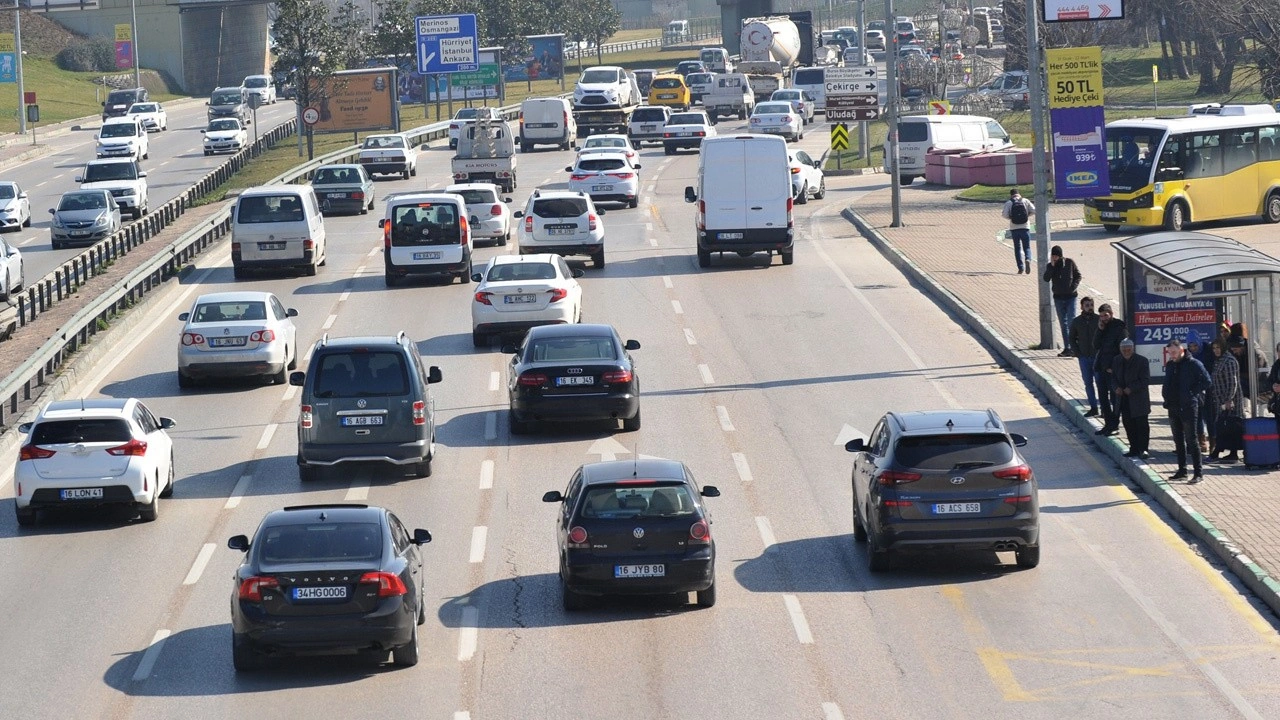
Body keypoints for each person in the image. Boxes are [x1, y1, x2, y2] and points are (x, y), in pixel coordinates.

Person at [1162, 338, 1213, 483]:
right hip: (1173, 406)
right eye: (1170, 352)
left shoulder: (1193, 364)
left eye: (1175, 352)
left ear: (1182, 350)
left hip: (1189, 406)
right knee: (1178, 441)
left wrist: (1192, 392)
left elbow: (1207, 381)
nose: (1172, 355)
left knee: (1191, 440)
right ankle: (1182, 471)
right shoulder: (1171, 364)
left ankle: (1198, 473)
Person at [1112, 338, 1151, 458]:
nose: (1126, 351)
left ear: (1133, 349)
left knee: (1142, 425)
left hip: (1138, 399)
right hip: (1123, 399)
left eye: (1128, 349)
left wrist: (1131, 388)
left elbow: (1145, 380)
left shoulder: (1142, 361)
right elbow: (1113, 378)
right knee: (1128, 424)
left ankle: (1143, 449)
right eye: (1123, 349)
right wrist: (1116, 387)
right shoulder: (1117, 360)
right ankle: (1133, 448)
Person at [1208, 338, 1243, 464]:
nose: (1216, 350)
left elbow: (1232, 382)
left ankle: (1218, 452)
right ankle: (1230, 454)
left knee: (1229, 426)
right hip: (1220, 400)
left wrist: (1228, 399)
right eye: (1214, 348)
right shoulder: (1219, 361)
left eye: (1218, 348)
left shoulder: (1229, 361)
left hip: (1230, 401)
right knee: (1225, 426)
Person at [1094, 304, 1127, 436]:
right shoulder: (1102, 327)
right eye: (1101, 316)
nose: (1103, 318)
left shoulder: (1119, 327)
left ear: (1111, 314)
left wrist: (1113, 368)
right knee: (1103, 398)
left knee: (1115, 399)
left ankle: (1114, 425)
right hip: (1101, 368)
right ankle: (1107, 424)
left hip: (1113, 370)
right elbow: (1096, 345)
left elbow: (1122, 349)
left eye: (1106, 315)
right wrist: (1100, 330)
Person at [1043, 245, 1082, 356]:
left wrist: (1073, 287)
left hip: (1071, 297)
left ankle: (1075, 347)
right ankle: (1067, 348)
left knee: (1071, 321)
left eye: (1056, 256)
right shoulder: (1050, 266)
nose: (1054, 258)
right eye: (1053, 256)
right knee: (1063, 324)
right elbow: (1046, 279)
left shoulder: (1069, 263)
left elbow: (1078, 275)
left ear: (1060, 256)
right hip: (1059, 298)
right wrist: (1052, 267)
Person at [1069, 296, 1102, 416]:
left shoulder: (1099, 319)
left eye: (1091, 305)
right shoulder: (1077, 321)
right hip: (1084, 357)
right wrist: (1078, 353)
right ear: (1082, 307)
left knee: (1100, 383)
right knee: (1088, 383)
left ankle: (1104, 408)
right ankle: (1093, 407)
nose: (1090, 307)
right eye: (1087, 305)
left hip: (1097, 357)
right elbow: (1072, 338)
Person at [1186, 330, 1210, 452]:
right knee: (1194, 417)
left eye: (1195, 345)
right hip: (1192, 390)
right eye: (1190, 346)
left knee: (1204, 415)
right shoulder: (1187, 356)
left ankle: (1205, 440)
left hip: (1205, 389)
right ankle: (1196, 442)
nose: (1193, 348)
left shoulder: (1207, 352)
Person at [1001, 188, 1034, 274]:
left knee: (1017, 248)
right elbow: (1034, 210)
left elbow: (1004, 214)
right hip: (1025, 227)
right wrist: (1027, 215)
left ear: (1011, 195)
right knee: (1027, 247)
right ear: (1019, 194)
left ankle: (1021, 268)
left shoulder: (1009, 203)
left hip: (1014, 228)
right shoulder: (1025, 201)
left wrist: (1011, 218)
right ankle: (1028, 259)